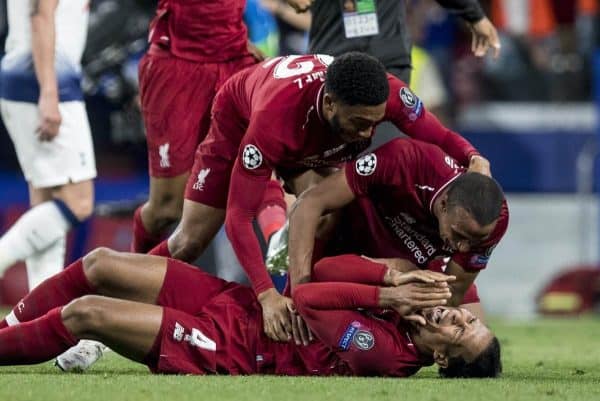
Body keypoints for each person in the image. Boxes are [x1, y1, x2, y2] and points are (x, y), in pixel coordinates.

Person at [148, 52, 491, 343]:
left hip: (313, 142)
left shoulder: (385, 94)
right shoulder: (273, 122)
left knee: (326, 214)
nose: (368, 133)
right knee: (189, 242)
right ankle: (119, 285)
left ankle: (297, 302)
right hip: (240, 119)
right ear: (330, 103)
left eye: (375, 123)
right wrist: (265, 296)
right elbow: (238, 217)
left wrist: (474, 157)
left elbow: (440, 134)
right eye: (359, 123)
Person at [0, 248, 501, 378]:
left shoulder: (386, 354)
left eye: (459, 332)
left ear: (441, 358)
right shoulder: (407, 301)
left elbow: (306, 299)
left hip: (231, 348)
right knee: (99, 265)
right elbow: (322, 268)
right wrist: (390, 278)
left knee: (86, 313)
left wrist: (386, 298)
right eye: (468, 319)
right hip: (239, 305)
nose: (457, 318)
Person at [288, 138, 509, 310]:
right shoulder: (406, 159)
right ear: (443, 204)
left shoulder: (493, 221)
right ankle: (293, 294)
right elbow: (310, 203)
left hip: (409, 271)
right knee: (321, 199)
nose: (463, 248)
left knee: (476, 347)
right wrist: (299, 294)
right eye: (459, 235)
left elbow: (451, 293)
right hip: (348, 235)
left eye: (475, 241)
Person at [130, 0, 271, 254]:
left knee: (278, 164)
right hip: (178, 65)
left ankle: (294, 273)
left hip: (234, 59)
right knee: (166, 209)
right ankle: (129, 281)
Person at [0, 2, 96, 292]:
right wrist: (49, 94)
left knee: (45, 205)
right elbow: (41, 17)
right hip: (47, 84)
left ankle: (41, 319)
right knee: (77, 203)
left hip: (30, 80)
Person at [286, 0, 501, 82]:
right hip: (329, 63)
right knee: (329, 160)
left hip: (387, 63)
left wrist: (474, 14)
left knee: (385, 159)